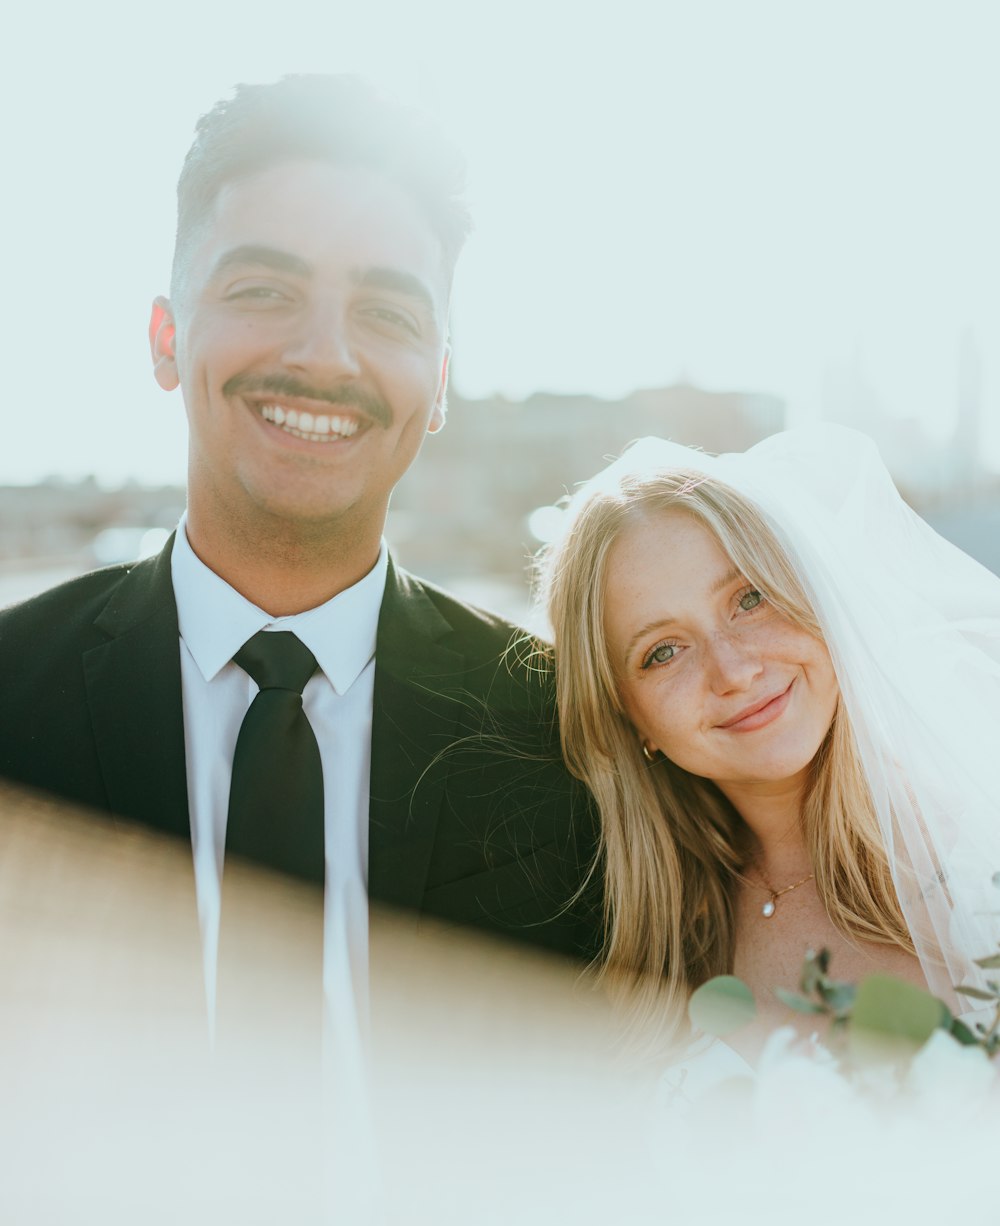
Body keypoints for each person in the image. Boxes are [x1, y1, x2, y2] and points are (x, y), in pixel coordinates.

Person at [0, 75, 598, 1003]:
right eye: (265, 289)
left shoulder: (562, 736)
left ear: (438, 384)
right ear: (166, 337)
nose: (324, 356)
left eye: (387, 312)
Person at [542, 423, 1000, 1056]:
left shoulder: (978, 862)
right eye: (664, 651)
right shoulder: (651, 941)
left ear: (817, 593)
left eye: (749, 598)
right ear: (630, 717)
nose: (734, 671)